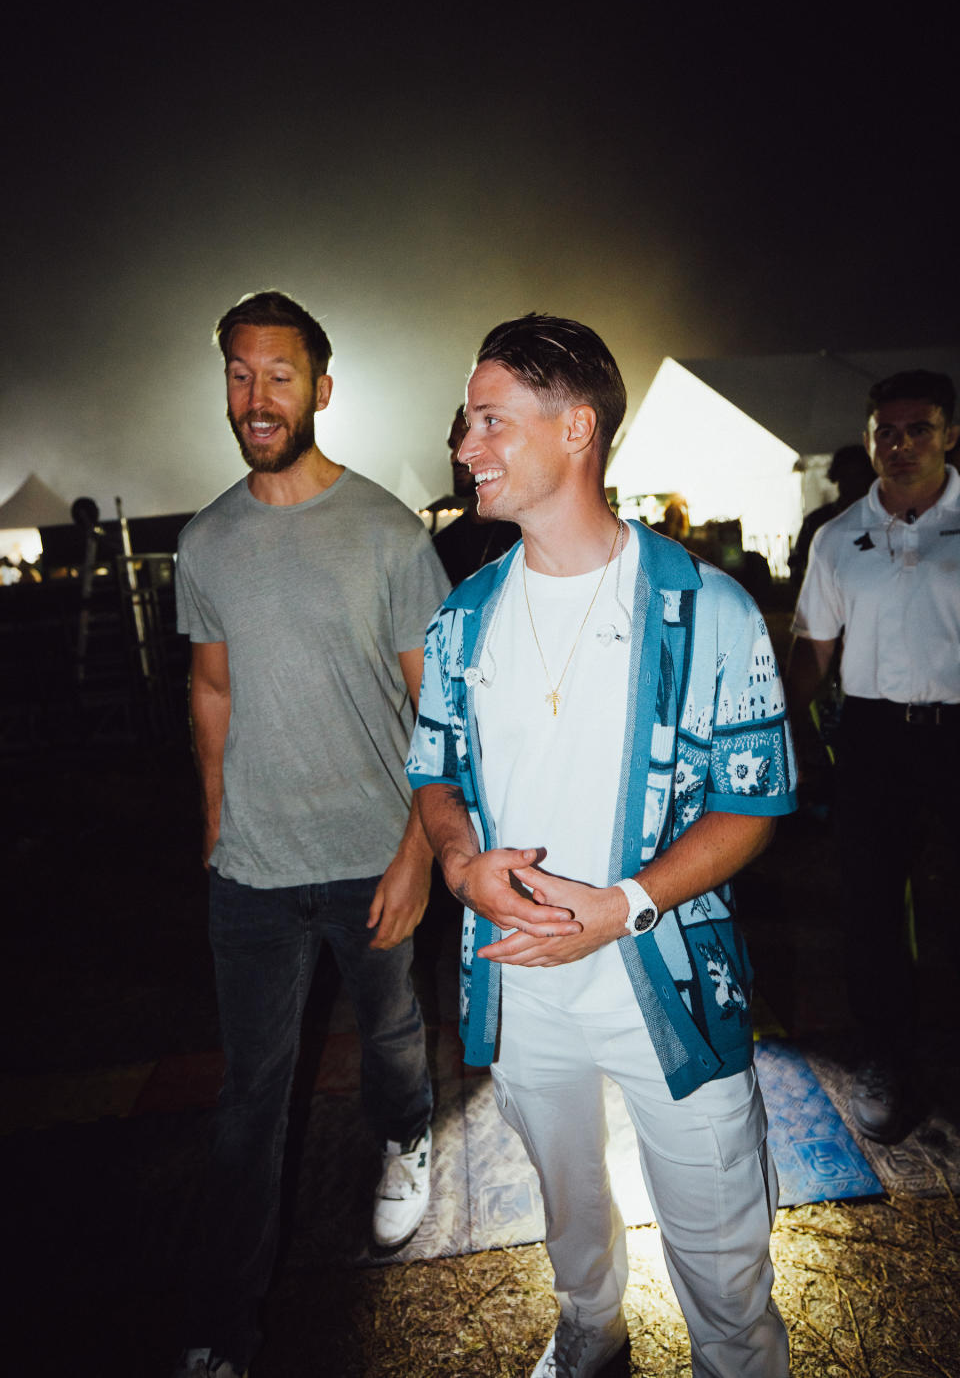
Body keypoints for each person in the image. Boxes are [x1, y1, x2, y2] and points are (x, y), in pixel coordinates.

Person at [406, 314, 796, 1378]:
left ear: (577, 427)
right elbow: (434, 771)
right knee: (569, 1209)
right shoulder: (463, 619)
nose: (466, 445)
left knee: (721, 1249)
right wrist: (456, 861)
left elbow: (753, 802)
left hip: (663, 973)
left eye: (492, 420)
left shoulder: (704, 606)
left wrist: (623, 902)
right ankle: (592, 1327)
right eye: (465, 422)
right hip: (520, 980)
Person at [172, 291, 448, 1378]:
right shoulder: (207, 540)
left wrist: (421, 849)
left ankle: (406, 1131)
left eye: (279, 374)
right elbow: (211, 689)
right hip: (252, 872)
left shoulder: (386, 533)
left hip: (372, 856)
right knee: (248, 1101)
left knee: (390, 1038)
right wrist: (212, 825)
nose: (256, 396)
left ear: (322, 388)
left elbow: (441, 715)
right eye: (239, 373)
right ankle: (221, 1333)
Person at [787, 369, 960, 1144]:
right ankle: (885, 1055)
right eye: (885, 431)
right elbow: (814, 647)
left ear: (951, 434)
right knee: (870, 906)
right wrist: (782, 725)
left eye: (918, 428)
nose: (899, 444)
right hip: (873, 734)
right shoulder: (837, 537)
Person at [432, 404, 520, 585]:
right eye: (452, 446)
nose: (455, 457)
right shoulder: (441, 545)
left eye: (465, 442)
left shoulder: (525, 538)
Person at [787, 444, 875, 588]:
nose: (853, 484)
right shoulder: (817, 521)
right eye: (846, 477)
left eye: (858, 476)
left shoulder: (884, 520)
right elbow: (799, 563)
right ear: (836, 478)